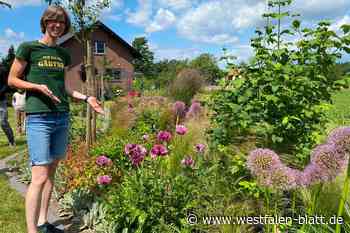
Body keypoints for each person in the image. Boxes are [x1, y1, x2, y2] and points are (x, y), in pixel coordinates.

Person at [8, 5, 104, 233]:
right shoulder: (29, 48)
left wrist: (87, 97)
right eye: (53, 21)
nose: (57, 25)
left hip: (61, 117)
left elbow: (65, 86)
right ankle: (32, 230)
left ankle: (43, 222)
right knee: (39, 176)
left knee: (51, 173)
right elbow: (12, 79)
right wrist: (36, 86)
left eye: (61, 22)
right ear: (45, 22)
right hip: (39, 118)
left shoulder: (63, 54)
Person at [0, 66, 15, 146]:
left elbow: (7, 84)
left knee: (3, 122)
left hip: (1, 101)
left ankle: (11, 141)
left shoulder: (3, 70)